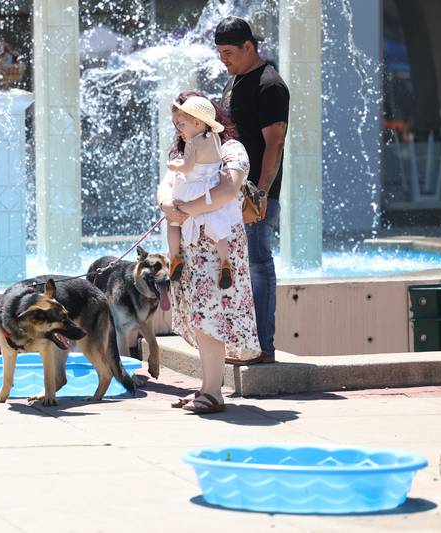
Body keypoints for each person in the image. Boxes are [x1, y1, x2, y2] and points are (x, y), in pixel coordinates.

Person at [158, 91, 260, 414]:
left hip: (219, 251)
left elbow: (229, 188)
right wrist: (168, 206)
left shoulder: (230, 148)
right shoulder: (185, 149)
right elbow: (167, 182)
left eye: (184, 120)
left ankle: (214, 391)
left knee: (210, 314)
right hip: (191, 247)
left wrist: (187, 208)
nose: (179, 127)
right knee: (202, 316)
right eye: (177, 122)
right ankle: (208, 387)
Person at [215, 16, 290, 364]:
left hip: (256, 196)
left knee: (259, 264)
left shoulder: (269, 85)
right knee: (242, 267)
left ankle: (263, 347)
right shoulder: (236, 80)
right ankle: (247, 343)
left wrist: (260, 193)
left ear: (249, 46)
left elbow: (274, 144)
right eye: (219, 52)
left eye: (229, 52)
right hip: (235, 193)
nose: (223, 59)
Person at [165, 95, 242, 289]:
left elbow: (188, 166)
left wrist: (174, 166)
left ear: (197, 122)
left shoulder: (193, 142)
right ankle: (225, 261)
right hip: (211, 190)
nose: (179, 130)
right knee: (218, 226)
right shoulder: (215, 139)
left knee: (173, 221)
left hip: (191, 189)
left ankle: (174, 257)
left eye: (181, 124)